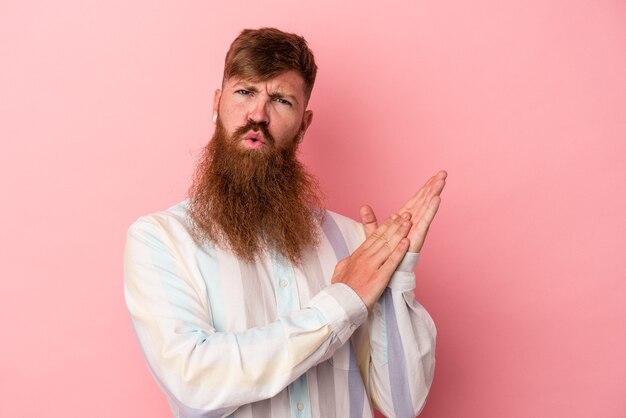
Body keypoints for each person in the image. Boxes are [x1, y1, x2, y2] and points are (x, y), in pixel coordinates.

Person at [124, 27, 447, 418]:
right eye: (245, 92)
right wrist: (343, 302)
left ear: (304, 125)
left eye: (280, 100)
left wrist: (394, 277)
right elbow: (193, 384)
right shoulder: (161, 240)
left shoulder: (355, 243)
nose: (258, 114)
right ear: (217, 103)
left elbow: (402, 403)